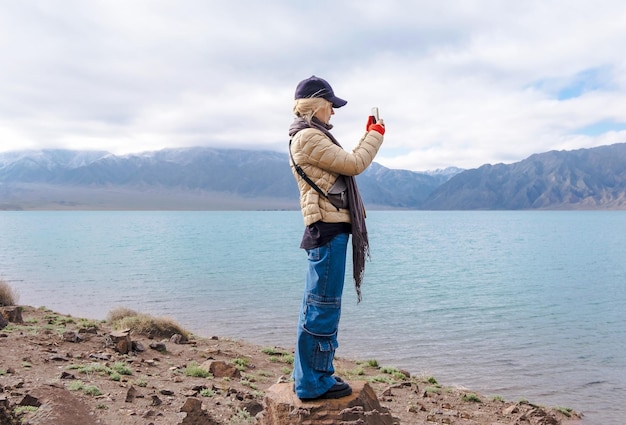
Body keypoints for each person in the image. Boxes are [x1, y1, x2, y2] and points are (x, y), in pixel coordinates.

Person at [288, 75, 385, 400]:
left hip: (326, 229)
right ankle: (315, 382)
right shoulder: (308, 139)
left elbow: (344, 165)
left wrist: (366, 134)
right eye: (331, 106)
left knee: (315, 304)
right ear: (316, 105)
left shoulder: (311, 137)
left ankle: (309, 376)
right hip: (328, 230)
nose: (334, 112)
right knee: (322, 305)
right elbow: (355, 164)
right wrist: (374, 135)